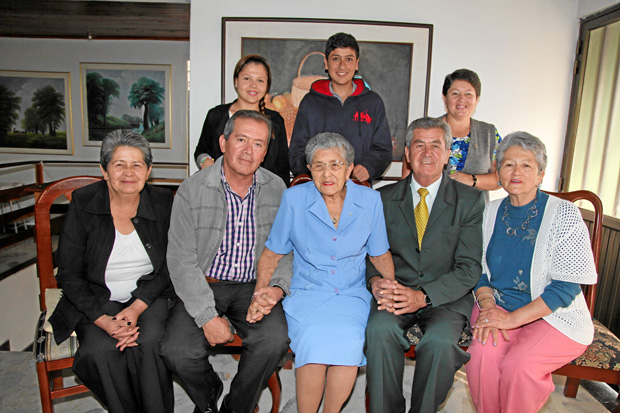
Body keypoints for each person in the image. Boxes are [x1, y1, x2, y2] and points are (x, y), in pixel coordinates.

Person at [247, 133, 395, 412]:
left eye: (335, 165)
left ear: (349, 169)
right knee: (313, 343)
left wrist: (391, 288)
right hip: (307, 292)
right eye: (319, 166)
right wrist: (259, 293)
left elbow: (379, 253)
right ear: (309, 170)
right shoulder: (294, 199)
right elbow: (272, 252)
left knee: (349, 342)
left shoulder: (370, 200)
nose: (327, 174)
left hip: (351, 293)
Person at [161, 110, 292, 413]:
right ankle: (210, 391)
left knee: (274, 340)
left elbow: (286, 250)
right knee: (177, 351)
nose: (249, 151)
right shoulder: (191, 189)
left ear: (265, 152)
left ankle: (236, 407)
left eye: (258, 144)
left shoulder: (277, 189)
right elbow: (181, 259)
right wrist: (207, 316)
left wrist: (275, 289)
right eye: (241, 139)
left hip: (253, 285)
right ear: (223, 143)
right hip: (204, 282)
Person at [465, 132, 597, 413]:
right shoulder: (488, 212)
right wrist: (488, 305)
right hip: (497, 305)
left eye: (526, 165)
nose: (516, 172)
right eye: (508, 164)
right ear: (498, 173)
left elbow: (566, 287)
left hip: (552, 314)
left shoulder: (565, 215)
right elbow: (477, 269)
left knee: (520, 366)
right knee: (481, 359)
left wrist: (512, 319)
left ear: (540, 175)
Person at [49, 130, 175, 413]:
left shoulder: (164, 202)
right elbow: (68, 272)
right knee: (99, 351)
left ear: (148, 171)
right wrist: (104, 321)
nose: (128, 172)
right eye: (119, 164)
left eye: (137, 164)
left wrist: (136, 308)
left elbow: (172, 264)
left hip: (149, 295)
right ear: (104, 171)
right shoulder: (83, 202)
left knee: (150, 342)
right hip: (95, 298)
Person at [365, 117, 485, 413]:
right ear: (407, 153)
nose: (427, 153)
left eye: (436, 145)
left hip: (447, 297)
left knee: (440, 343)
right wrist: (375, 281)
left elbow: (469, 268)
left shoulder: (470, 200)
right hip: (396, 292)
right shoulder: (381, 198)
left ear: (447, 154)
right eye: (419, 145)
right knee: (379, 331)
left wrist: (422, 297)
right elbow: (370, 254)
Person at [288, 32, 392, 183]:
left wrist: (369, 167)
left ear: (356, 63)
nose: (342, 66)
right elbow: (297, 152)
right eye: (336, 59)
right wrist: (318, 171)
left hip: (358, 187)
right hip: (317, 188)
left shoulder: (373, 102)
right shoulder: (310, 102)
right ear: (326, 63)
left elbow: (383, 150)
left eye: (349, 59)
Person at [402, 69, 501, 200]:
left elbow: (501, 178)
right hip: (429, 208)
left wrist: (470, 180)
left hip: (475, 210)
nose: (462, 99)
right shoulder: (424, 130)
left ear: (477, 99)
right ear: (445, 97)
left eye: (468, 94)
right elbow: (406, 180)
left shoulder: (489, 133)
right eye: (455, 93)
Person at [194, 54, 290, 185]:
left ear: (267, 86)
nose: (253, 85)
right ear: (236, 81)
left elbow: (282, 167)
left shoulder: (275, 121)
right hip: (219, 191)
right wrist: (206, 161)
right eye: (247, 78)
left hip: (263, 193)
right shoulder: (216, 115)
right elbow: (201, 150)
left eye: (260, 80)